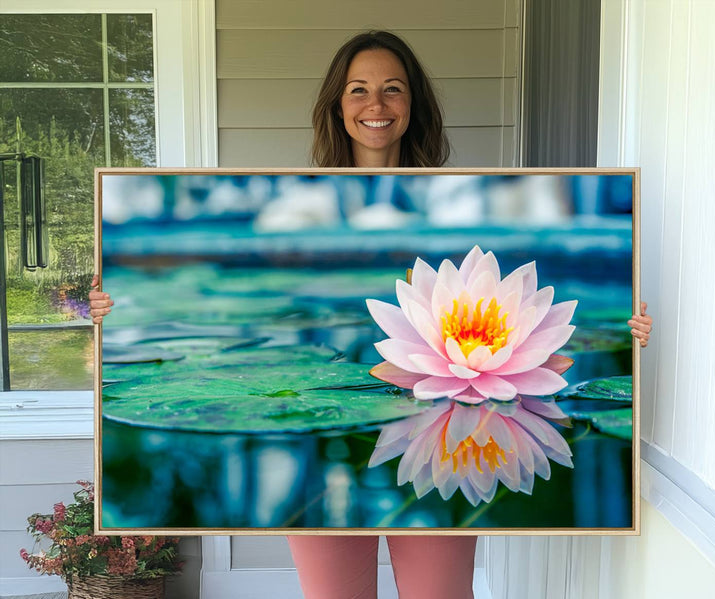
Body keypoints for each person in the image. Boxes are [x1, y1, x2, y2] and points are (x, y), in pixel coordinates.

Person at [90, 30, 653, 599]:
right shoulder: (300, 202)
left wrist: (633, 333)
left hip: (450, 424)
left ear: (413, 105)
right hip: (354, 399)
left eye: (393, 90)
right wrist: (102, 308)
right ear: (338, 105)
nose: (376, 105)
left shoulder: (457, 208)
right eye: (358, 90)